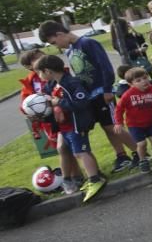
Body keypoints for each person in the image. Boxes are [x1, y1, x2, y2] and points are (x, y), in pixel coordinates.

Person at [38, 21, 139, 174]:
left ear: (59, 34)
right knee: (106, 128)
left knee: (113, 126)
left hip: (101, 92)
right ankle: (121, 156)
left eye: (54, 42)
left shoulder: (88, 43)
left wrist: (107, 89)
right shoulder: (69, 51)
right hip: (89, 96)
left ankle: (139, 152)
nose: (56, 46)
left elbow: (105, 66)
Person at [34, 54, 105, 202]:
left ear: (47, 71)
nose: (39, 76)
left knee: (81, 152)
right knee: (72, 150)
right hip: (64, 126)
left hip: (76, 125)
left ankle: (94, 179)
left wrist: (59, 102)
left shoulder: (71, 82)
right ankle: (96, 175)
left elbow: (82, 102)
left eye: (39, 72)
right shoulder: (52, 84)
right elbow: (47, 99)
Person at [19, 49, 82, 195]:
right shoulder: (30, 82)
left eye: (43, 56)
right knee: (63, 149)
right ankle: (75, 176)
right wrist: (30, 113)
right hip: (48, 120)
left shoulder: (58, 74)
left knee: (71, 146)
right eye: (37, 58)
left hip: (65, 115)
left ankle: (80, 176)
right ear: (29, 66)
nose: (43, 59)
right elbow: (26, 103)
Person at [113, 67, 152, 173]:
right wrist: (118, 122)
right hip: (134, 125)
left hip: (150, 122)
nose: (144, 81)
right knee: (141, 144)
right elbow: (119, 109)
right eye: (138, 80)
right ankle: (142, 161)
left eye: (145, 78)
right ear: (131, 84)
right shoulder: (128, 95)